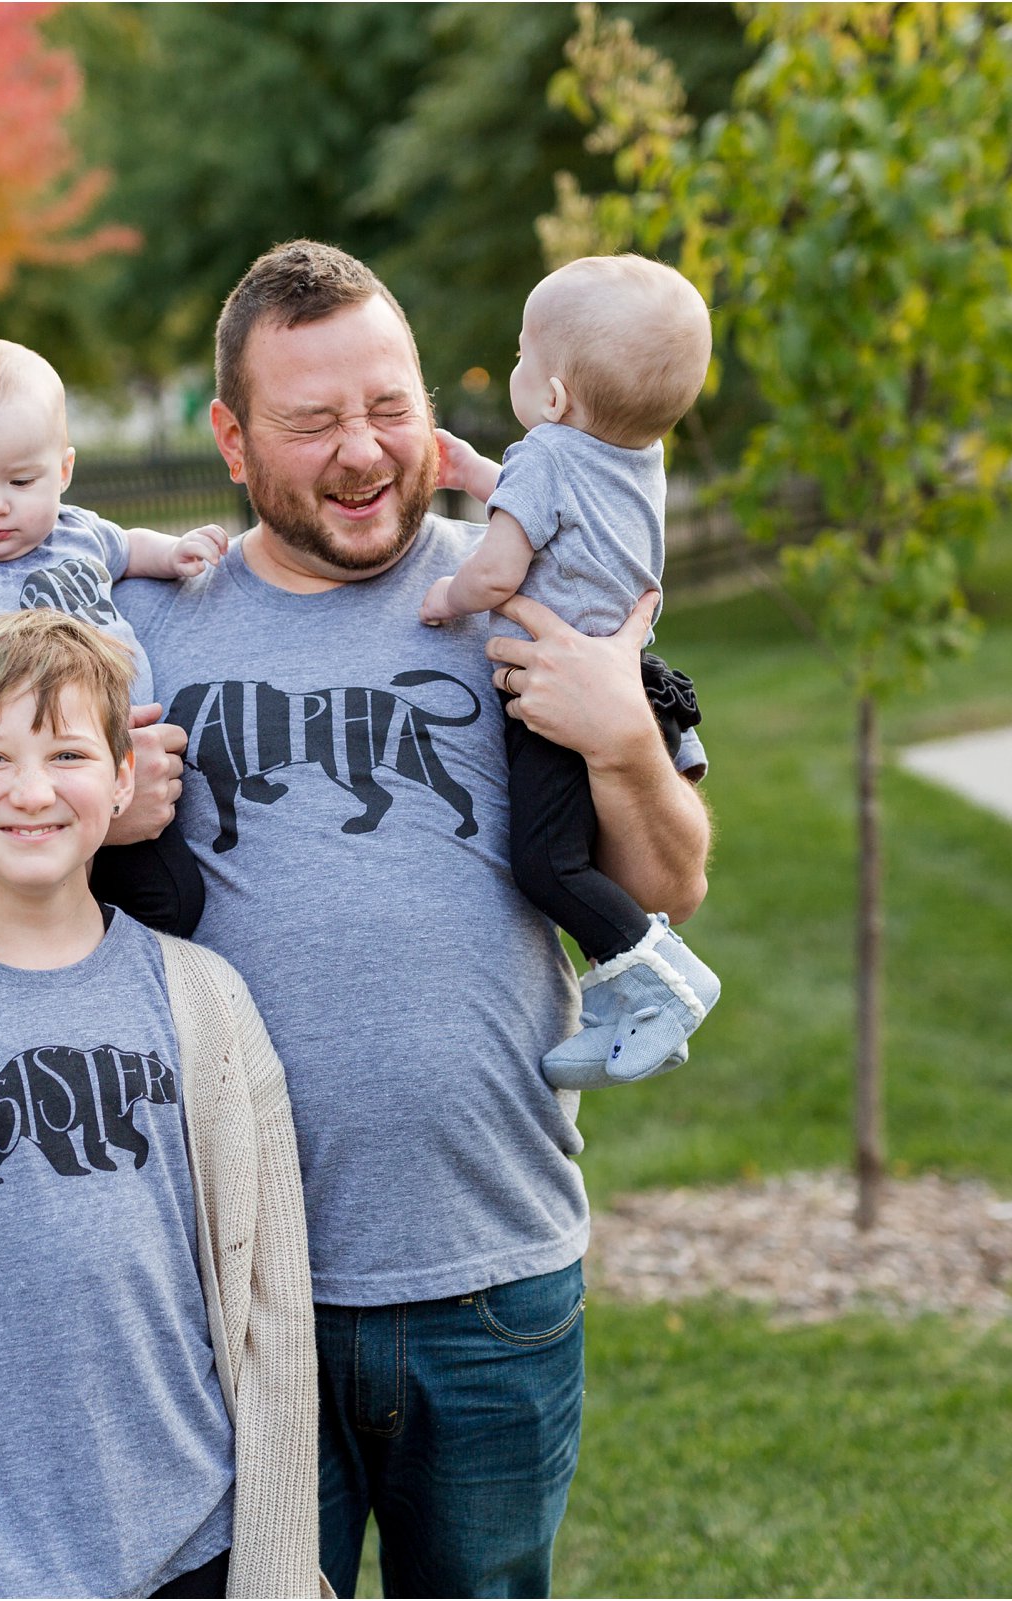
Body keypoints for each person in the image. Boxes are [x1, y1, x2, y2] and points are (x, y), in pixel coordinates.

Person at [112, 241, 712, 1598]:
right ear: (228, 436)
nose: (360, 452)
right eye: (310, 421)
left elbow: (666, 889)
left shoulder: (547, 587)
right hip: (232, 1290)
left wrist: (622, 740)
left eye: (384, 408)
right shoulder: (147, 624)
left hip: (490, 1270)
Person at [0, 609, 325, 1599]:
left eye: (67, 752)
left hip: (197, 1553)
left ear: (123, 777)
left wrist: (280, 1571)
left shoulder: (205, 1000)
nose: (30, 790)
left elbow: (272, 1315)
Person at [417, 253, 723, 1090]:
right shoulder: (634, 457)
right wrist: (474, 472)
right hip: (626, 675)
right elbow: (545, 505)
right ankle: (626, 1003)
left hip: (559, 696)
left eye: (521, 355)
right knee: (571, 856)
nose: (514, 365)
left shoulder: (547, 453)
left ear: (551, 398)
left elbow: (496, 573)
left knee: (546, 863)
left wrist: (445, 595)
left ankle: (662, 984)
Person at [0, 335, 230, 935]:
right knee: (87, 911)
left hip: (124, 749)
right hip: (35, 773)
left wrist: (176, 553)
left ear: (62, 470)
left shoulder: (77, 533)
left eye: (19, 482)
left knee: (171, 898)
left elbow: (131, 547)